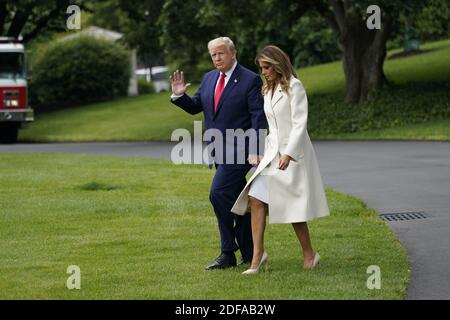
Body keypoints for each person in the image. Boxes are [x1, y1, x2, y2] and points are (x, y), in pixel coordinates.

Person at [170, 37, 267, 270]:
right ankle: (251, 251)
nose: (217, 58)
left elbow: (258, 117)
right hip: (218, 151)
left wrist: (256, 150)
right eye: (213, 55)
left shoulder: (250, 79)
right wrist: (180, 96)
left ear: (233, 53)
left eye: (221, 53)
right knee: (237, 202)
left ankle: (227, 251)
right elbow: (196, 106)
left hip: (241, 151)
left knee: (217, 193)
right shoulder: (208, 78)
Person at [231, 45, 330, 274]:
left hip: (293, 156)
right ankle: (257, 257)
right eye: (261, 68)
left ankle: (310, 254)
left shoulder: (294, 87)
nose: (263, 72)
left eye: (267, 67)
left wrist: (288, 153)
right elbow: (271, 126)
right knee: (255, 198)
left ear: (277, 65)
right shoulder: (268, 90)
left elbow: (299, 124)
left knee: (293, 208)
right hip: (271, 154)